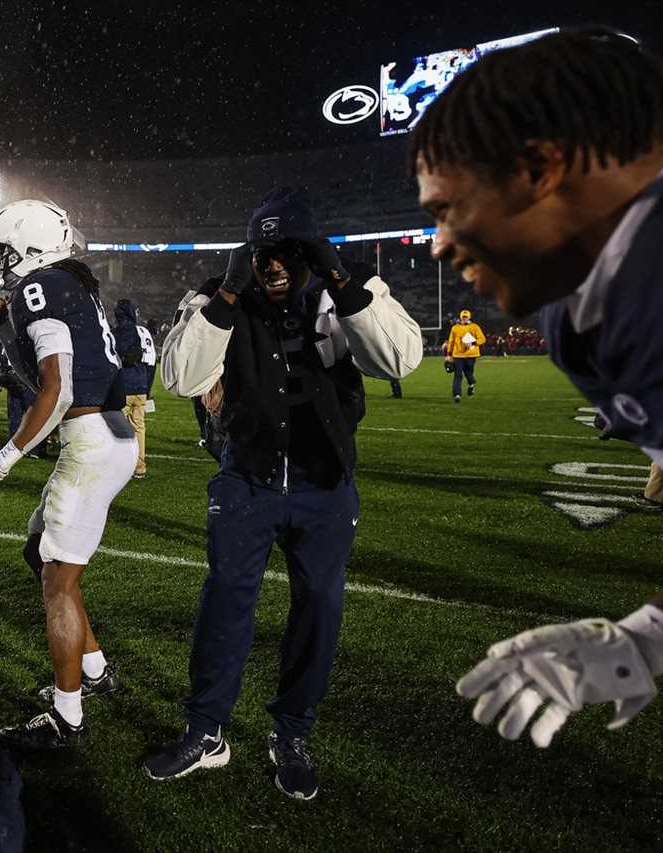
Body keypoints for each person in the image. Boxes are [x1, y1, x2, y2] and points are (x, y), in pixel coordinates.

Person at [409, 30, 663, 800]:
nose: (436, 246)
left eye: (446, 208)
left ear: (539, 166)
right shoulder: (588, 307)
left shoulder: (661, 281)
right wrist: (651, 634)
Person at [144, 187, 421, 799]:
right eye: (263, 252)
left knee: (319, 608)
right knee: (225, 605)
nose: (273, 266)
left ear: (311, 250)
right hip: (246, 478)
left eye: (288, 252)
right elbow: (181, 377)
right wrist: (225, 296)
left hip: (325, 485)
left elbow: (399, 359)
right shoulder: (220, 294)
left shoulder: (346, 291)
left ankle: (291, 733)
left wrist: (343, 283)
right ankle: (205, 731)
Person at [0, 199, 135, 750]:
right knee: (39, 552)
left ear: (29, 249)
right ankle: (96, 669)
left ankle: (67, 719)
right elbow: (43, 377)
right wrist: (4, 331)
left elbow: (55, 390)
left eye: (1, 253)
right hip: (111, 434)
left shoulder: (41, 287)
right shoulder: (66, 285)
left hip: (89, 440)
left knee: (57, 581)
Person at [114, 298, 156, 479]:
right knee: (139, 428)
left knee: (119, 430)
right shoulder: (143, 331)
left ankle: (121, 467)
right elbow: (151, 361)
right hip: (140, 385)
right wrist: (148, 389)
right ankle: (139, 467)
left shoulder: (116, 332)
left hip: (123, 386)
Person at [445, 308, 486, 402]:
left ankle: (471, 385)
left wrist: (473, 343)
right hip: (458, 355)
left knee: (469, 374)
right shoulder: (455, 328)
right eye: (463, 317)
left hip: (471, 355)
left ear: (469, 317)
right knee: (458, 375)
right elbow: (451, 341)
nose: (464, 319)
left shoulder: (475, 327)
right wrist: (449, 354)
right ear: (460, 317)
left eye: (466, 317)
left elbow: (482, 339)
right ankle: (457, 394)